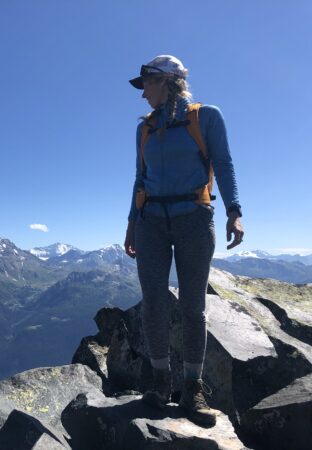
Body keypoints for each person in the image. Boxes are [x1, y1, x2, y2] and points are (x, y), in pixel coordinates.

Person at [123, 55, 244, 427]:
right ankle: (161, 381)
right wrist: (131, 223)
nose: (142, 95)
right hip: (151, 222)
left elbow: (223, 163)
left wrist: (234, 210)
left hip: (194, 217)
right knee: (153, 302)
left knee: (193, 305)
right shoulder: (145, 128)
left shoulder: (205, 116)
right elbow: (139, 177)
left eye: (146, 86)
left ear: (167, 81)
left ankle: (193, 386)